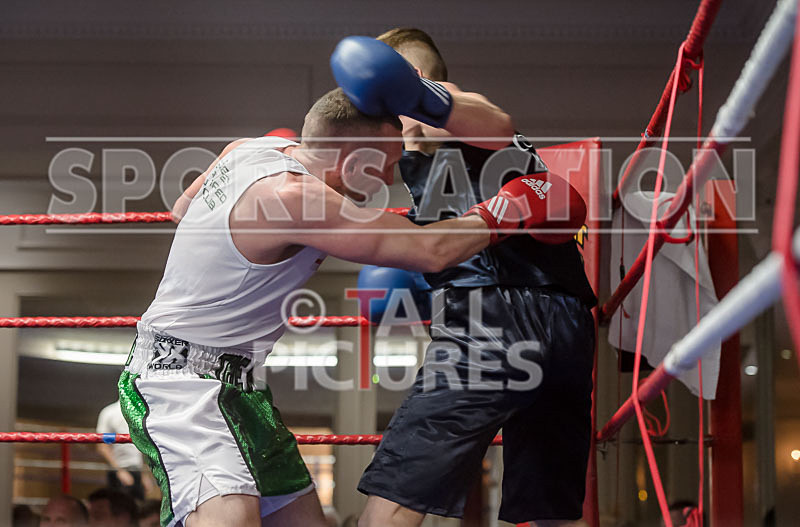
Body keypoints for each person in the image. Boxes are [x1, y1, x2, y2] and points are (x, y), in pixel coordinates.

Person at [119, 87, 581, 527]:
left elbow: (183, 207)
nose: (389, 180)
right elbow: (432, 250)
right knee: (230, 517)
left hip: (240, 389)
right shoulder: (294, 198)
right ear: (354, 160)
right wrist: (508, 207)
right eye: (387, 164)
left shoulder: (253, 149)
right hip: (180, 384)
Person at [331, 29, 597, 527]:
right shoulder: (452, 156)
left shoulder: (449, 109)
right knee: (551, 512)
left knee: (394, 501)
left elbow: (496, 121)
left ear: (407, 78)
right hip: (569, 325)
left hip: (487, 323)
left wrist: (415, 95)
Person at [96, 399, 151, 500]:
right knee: (118, 505)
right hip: (118, 470)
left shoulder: (139, 413)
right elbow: (103, 447)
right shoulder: (109, 412)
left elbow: (140, 447)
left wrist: (143, 474)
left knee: (138, 506)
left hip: (136, 470)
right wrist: (119, 471)